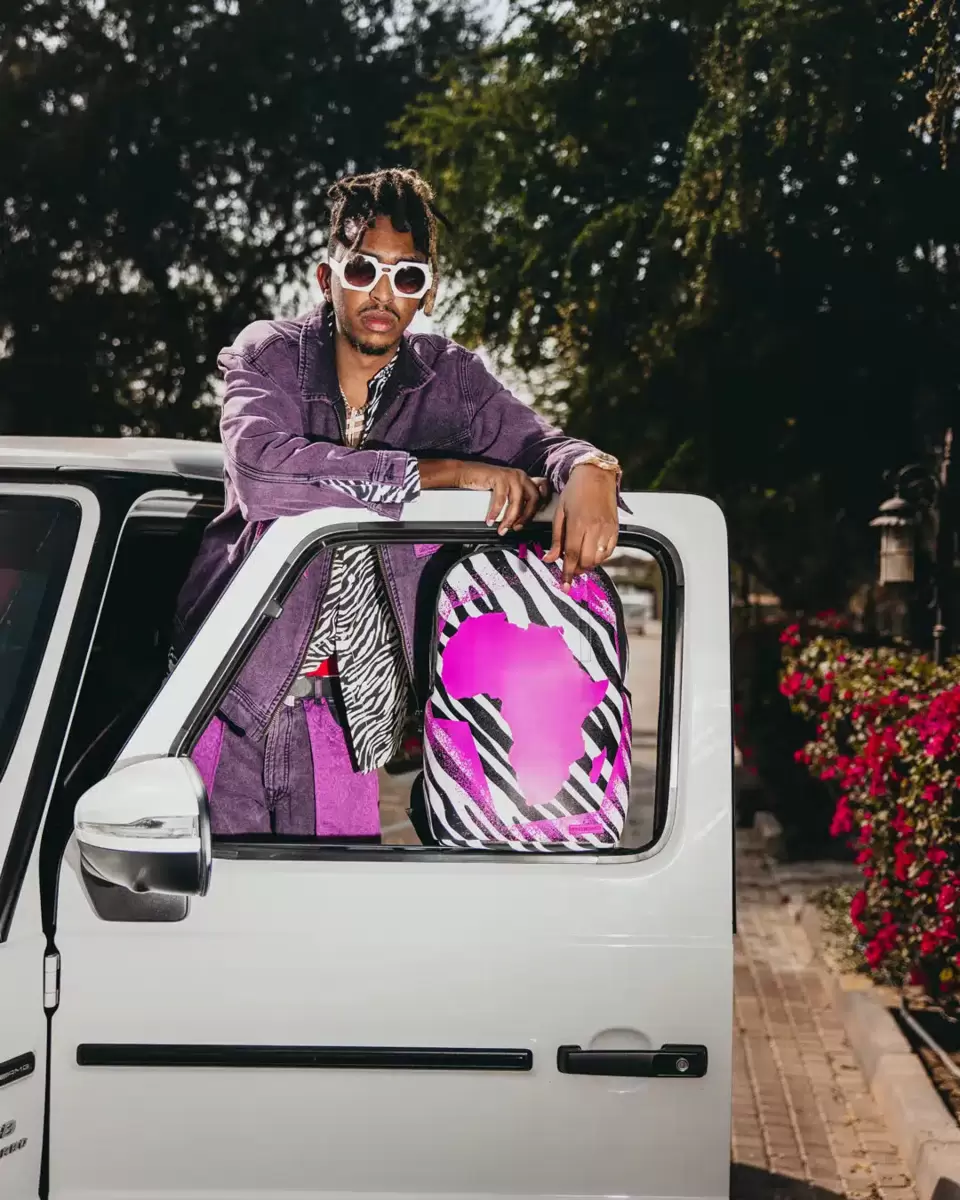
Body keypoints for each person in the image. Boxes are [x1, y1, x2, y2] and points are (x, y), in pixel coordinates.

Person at [170, 166, 623, 840]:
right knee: (204, 899)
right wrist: (442, 474)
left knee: (333, 907)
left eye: (406, 276)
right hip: (225, 697)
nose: (383, 293)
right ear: (327, 278)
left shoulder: (451, 381)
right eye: (363, 270)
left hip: (345, 723)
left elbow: (544, 445)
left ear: (427, 293)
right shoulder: (270, 356)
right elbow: (264, 472)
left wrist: (591, 468)